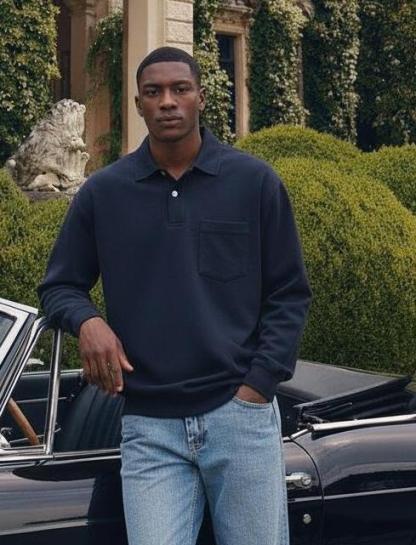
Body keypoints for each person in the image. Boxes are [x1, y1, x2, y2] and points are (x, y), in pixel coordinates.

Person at [37, 46, 312, 545]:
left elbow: (289, 293)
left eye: (179, 89)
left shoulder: (254, 183)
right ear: (138, 104)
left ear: (201, 98)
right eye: (154, 92)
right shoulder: (104, 192)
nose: (167, 101)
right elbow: (59, 285)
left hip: (239, 416)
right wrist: (88, 322)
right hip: (150, 426)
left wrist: (258, 385)